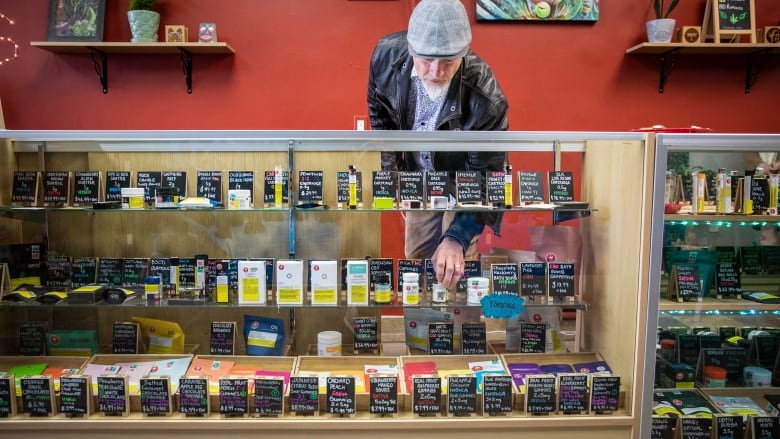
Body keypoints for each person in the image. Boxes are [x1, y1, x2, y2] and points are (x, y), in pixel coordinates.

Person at [367, 0, 509, 290]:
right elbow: (381, 117)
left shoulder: (487, 97)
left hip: (464, 182)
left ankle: (459, 334)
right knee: (417, 262)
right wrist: (393, 176)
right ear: (411, 49)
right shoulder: (384, 58)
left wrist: (456, 236)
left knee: (455, 268)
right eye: (426, 60)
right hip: (419, 177)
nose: (435, 71)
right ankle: (419, 336)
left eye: (448, 62)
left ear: (463, 53)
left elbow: (484, 177)